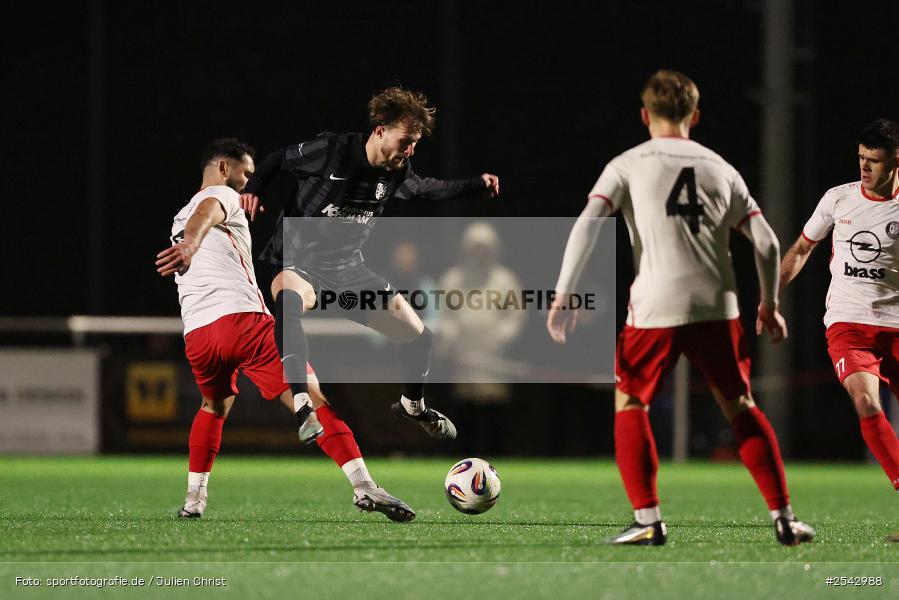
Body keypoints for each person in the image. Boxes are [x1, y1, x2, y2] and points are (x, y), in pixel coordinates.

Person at [546, 70, 814, 546]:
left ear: (646, 115)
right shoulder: (720, 167)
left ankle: (648, 519)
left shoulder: (628, 163)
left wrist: (565, 291)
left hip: (656, 303)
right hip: (718, 303)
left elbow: (590, 222)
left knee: (631, 400)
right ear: (695, 115)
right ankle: (785, 517)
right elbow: (768, 243)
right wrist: (769, 303)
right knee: (740, 405)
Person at [156, 138, 414, 522]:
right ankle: (364, 486)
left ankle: (194, 500)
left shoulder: (179, 215)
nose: (249, 182)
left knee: (214, 405)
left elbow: (197, 221)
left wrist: (189, 242)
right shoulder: (220, 194)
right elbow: (209, 211)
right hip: (242, 322)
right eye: (246, 173)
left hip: (198, 335)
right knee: (312, 396)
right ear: (224, 168)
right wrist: (192, 244)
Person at [238, 87, 500, 441]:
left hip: (348, 273)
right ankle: (302, 404)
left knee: (419, 337)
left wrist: (474, 186)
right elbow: (277, 160)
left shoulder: (397, 171)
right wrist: (253, 188)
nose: (409, 151)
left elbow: (425, 188)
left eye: (415, 144)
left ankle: (412, 405)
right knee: (289, 303)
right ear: (380, 131)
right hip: (297, 261)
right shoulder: (332, 151)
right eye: (405, 140)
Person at [777, 118, 899, 542]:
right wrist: (770, 296)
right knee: (866, 402)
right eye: (861, 158)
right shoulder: (838, 199)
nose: (865, 167)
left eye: (875, 161)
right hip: (849, 324)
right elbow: (802, 248)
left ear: (896, 159)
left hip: (897, 325)